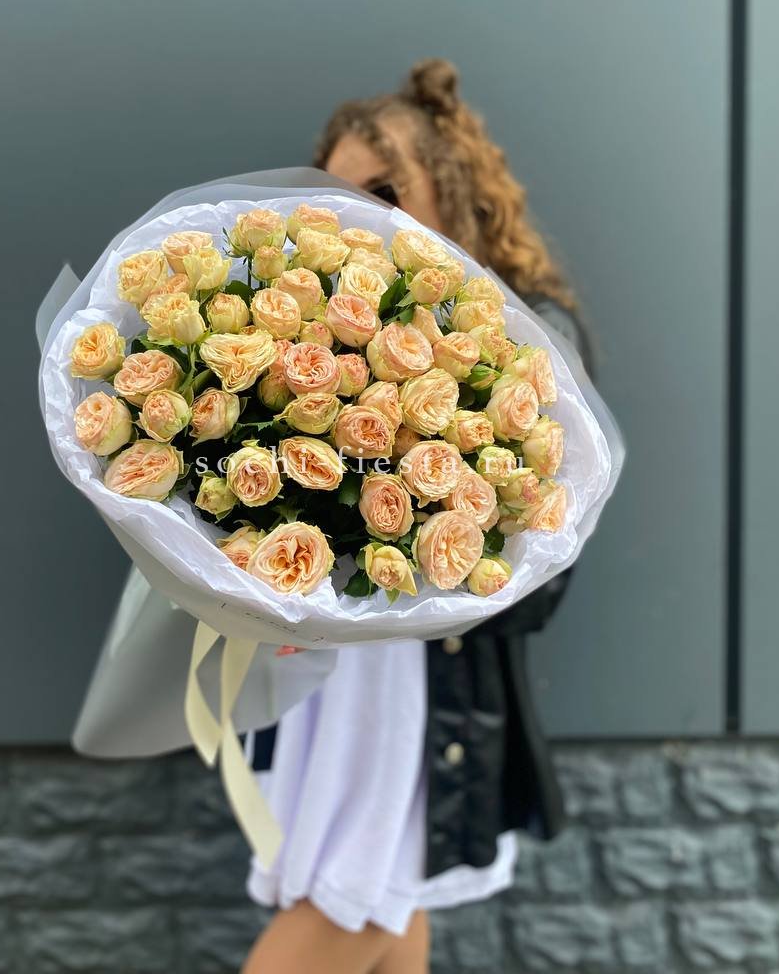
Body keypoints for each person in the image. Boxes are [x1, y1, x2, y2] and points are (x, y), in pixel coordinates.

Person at [241, 59, 595, 974]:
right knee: (384, 914)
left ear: (453, 193)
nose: (358, 213)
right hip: (332, 676)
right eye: (337, 193)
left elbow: (544, 569)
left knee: (350, 898)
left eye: (386, 190)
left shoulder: (530, 331)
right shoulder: (322, 324)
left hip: (419, 687)